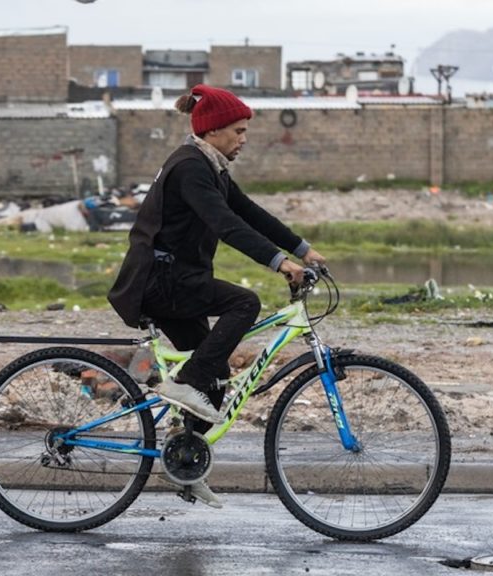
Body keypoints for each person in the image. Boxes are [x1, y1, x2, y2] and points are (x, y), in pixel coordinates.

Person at [107, 85, 326, 507]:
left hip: (177, 279)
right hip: (160, 281)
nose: (244, 139)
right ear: (212, 131)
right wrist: (279, 263)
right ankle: (184, 383)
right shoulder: (190, 167)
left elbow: (249, 213)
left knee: (217, 376)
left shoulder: (211, 167)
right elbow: (225, 224)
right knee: (244, 303)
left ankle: (186, 464)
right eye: (238, 131)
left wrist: (302, 249)